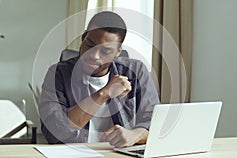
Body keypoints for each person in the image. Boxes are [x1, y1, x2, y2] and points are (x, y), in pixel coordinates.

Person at [39, 11, 160, 147]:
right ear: (84, 37)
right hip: (75, 152)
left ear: (118, 52)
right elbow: (54, 132)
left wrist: (135, 135)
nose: (94, 55)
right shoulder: (58, 73)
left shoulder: (136, 71)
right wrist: (103, 94)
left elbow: (155, 124)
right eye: (90, 45)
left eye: (105, 51)